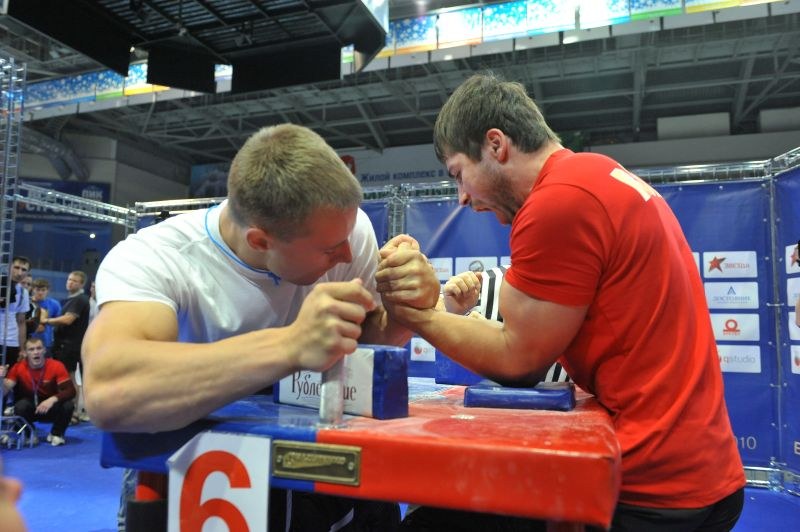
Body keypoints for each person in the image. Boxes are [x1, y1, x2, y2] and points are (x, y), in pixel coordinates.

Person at [376, 73, 745, 531]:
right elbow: (526, 343)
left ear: (496, 145)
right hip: (697, 470)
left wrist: (417, 312)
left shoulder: (559, 201)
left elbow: (519, 361)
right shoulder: (595, 174)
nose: (463, 197)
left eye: (458, 174)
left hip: (650, 483)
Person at [82, 124, 438, 531]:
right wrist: (290, 346)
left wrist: (406, 311)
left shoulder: (347, 233)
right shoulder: (158, 258)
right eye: (328, 249)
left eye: (346, 237)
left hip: (311, 459)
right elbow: (109, 391)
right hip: (186, 464)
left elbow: (366, 340)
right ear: (260, 240)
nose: (347, 252)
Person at [439, 267, 569, 383]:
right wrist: (453, 315)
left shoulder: (585, 291)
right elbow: (430, 312)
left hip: (570, 403)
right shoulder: (483, 284)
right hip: (487, 406)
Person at [1, 337, 76, 446]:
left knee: (68, 405)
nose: (36, 352)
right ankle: (28, 433)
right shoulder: (18, 368)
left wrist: (52, 400)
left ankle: (56, 434)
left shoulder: (56, 366)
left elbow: (71, 391)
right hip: (29, 408)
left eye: (39, 348)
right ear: (25, 353)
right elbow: (4, 391)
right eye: (31, 349)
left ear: (44, 350)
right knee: (20, 406)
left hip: (50, 407)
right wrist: (1, 379)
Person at [41, 271, 90, 424]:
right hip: (63, 345)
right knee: (67, 378)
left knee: (68, 378)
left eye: (75, 281)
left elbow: (68, 320)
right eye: (69, 279)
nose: (70, 282)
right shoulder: (70, 300)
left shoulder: (80, 299)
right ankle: (69, 410)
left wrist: (45, 320)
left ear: (82, 284)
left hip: (69, 346)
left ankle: (72, 412)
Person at [0, 257, 31, 367]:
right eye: (16, 267)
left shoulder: (24, 293)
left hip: (12, 342)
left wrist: (22, 349)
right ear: (9, 267)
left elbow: (21, 322)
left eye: (24, 269)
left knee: (9, 380)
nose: (19, 272)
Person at [29, 279, 61, 352]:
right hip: (28, 341)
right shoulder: (27, 302)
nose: (40, 293)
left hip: (46, 342)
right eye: (37, 290)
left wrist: (46, 323)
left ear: (48, 291)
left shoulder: (54, 304)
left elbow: (59, 323)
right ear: (33, 289)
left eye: (43, 290)